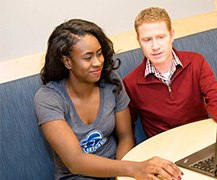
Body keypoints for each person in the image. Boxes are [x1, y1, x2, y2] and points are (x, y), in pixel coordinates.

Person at [34, 19, 183, 180]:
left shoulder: (111, 82)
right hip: (77, 176)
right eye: (87, 57)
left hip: (118, 168)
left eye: (99, 54)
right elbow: (75, 162)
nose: (97, 62)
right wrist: (134, 168)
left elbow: (125, 136)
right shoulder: (48, 98)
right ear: (67, 61)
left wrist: (121, 176)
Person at [123, 7, 217, 138]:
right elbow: (126, 129)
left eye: (161, 37)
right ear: (139, 42)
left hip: (200, 138)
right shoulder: (131, 83)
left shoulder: (196, 62)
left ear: (171, 36)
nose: (155, 46)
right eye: (147, 40)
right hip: (163, 149)